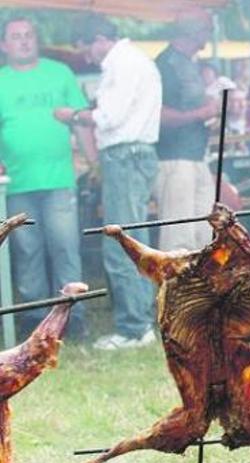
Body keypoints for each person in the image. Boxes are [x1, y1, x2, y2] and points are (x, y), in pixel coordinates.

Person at [57, 15, 162, 350]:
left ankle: (133, 328)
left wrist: (72, 116)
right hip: (132, 155)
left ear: (99, 39)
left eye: (86, 49)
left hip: (125, 154)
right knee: (135, 243)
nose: (88, 57)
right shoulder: (132, 61)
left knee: (121, 243)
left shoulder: (123, 65)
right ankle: (142, 321)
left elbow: (109, 117)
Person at [0, 17, 94, 340]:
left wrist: (94, 164)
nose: (24, 41)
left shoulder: (60, 74)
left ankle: (73, 318)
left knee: (65, 248)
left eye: (29, 35)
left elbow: (82, 122)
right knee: (27, 253)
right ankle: (35, 323)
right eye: (16, 37)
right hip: (16, 186)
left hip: (59, 181)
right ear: (3, 45)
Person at [153, 8, 220, 251]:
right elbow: (157, 113)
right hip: (173, 160)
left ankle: (200, 288)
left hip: (195, 157)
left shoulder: (190, 65)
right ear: (193, 31)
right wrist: (200, 114)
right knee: (178, 240)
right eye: (208, 29)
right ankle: (177, 289)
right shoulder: (166, 65)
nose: (210, 35)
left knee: (203, 236)